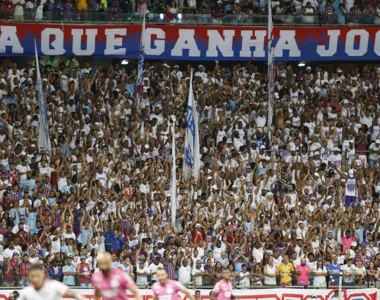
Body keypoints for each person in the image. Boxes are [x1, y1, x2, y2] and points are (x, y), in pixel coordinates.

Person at [18, 264, 85, 300]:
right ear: (29, 277)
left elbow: (74, 294)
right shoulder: (26, 291)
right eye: (33, 276)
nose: (35, 279)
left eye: (37, 276)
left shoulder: (54, 285)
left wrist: (80, 297)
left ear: (43, 275)